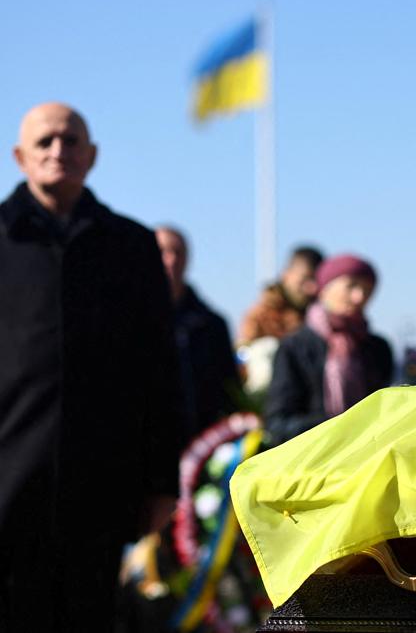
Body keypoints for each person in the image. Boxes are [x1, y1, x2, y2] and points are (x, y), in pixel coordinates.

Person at [0, 103, 181, 629]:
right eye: (45, 141)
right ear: (20, 156)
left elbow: (160, 370)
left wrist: (161, 481)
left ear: (92, 154)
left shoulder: (131, 246)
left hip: (100, 486)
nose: (59, 150)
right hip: (8, 484)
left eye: (71, 140)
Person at [264, 254, 393, 446]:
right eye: (351, 286)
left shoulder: (377, 348)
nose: (359, 297)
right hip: (312, 463)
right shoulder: (295, 347)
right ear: (324, 289)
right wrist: (340, 428)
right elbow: (278, 424)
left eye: (367, 290)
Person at [156, 226, 243, 445]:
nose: (171, 260)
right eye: (163, 251)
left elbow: (228, 389)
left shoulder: (212, 325)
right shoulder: (128, 321)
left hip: (203, 445)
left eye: (178, 252)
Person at [237, 245, 325, 345]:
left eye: (316, 281)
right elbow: (242, 353)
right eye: (304, 279)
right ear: (286, 274)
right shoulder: (260, 317)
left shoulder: (325, 317)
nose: (311, 288)